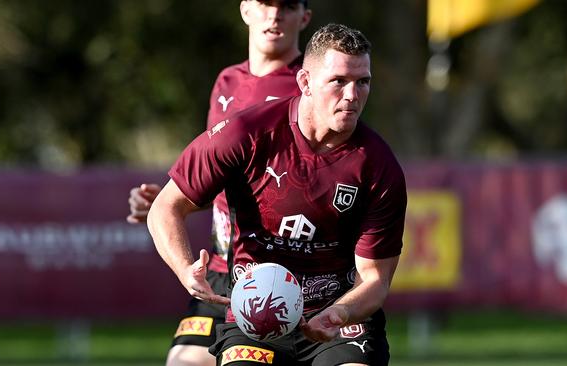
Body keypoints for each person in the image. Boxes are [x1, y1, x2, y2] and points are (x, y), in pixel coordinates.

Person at [147, 23, 407, 365]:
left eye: (363, 82)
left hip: (337, 317)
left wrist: (341, 313)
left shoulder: (379, 166)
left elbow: (375, 278)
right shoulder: (246, 133)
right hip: (254, 314)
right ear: (305, 82)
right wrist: (185, 270)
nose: (352, 96)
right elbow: (165, 208)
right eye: (339, 81)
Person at [126, 1, 312, 365]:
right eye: (264, 4)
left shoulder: (309, 86)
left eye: (287, 6)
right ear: (245, 10)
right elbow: (222, 175)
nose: (274, 16)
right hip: (220, 270)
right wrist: (173, 201)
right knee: (184, 361)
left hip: (275, 274)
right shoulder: (227, 80)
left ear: (305, 17)